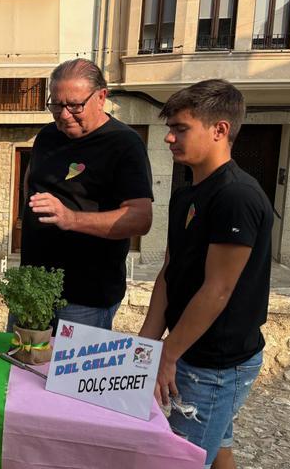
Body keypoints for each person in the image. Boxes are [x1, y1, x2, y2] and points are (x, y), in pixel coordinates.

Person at [139, 80, 271, 469]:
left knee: (182, 459)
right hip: (192, 351)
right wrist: (146, 343)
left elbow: (218, 289)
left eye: (181, 128)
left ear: (219, 130)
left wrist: (168, 355)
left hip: (216, 362)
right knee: (218, 452)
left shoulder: (237, 196)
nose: (168, 137)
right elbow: (169, 270)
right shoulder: (186, 193)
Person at [16, 58, 153, 331]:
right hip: (33, 287)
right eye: (56, 104)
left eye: (75, 105)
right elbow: (31, 183)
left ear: (101, 97)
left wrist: (70, 219)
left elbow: (140, 219)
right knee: (20, 370)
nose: (64, 115)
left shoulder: (124, 144)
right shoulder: (46, 136)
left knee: (69, 375)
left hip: (86, 299)